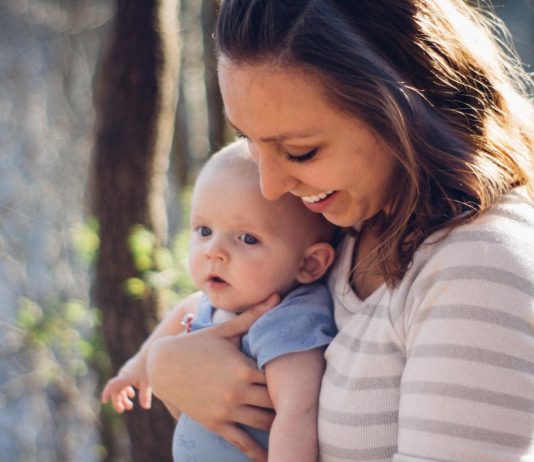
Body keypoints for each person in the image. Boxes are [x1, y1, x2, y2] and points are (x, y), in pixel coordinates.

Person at [146, 1, 534, 461]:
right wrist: (166, 364)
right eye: (249, 139)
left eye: (301, 152)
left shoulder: (478, 267)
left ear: (404, 111)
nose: (270, 187)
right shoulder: (347, 223)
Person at [102, 140, 338, 461]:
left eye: (247, 238)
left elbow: (298, 414)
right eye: (203, 230)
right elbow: (180, 312)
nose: (213, 250)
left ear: (309, 264)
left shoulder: (287, 321)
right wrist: (135, 369)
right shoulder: (211, 303)